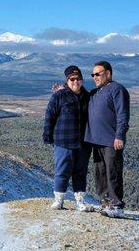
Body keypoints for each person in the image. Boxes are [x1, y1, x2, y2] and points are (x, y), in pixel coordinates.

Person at [84, 60, 130, 217]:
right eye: (93, 75)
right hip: (96, 141)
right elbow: (77, 95)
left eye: (98, 74)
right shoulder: (95, 92)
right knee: (100, 174)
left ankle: (117, 206)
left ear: (108, 73)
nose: (95, 77)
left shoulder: (117, 90)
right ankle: (105, 204)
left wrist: (120, 135)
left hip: (112, 141)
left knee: (113, 172)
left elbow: (123, 115)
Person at [43, 65, 92, 211]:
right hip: (63, 142)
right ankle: (59, 201)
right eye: (72, 79)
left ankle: (80, 202)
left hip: (83, 143)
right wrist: (47, 136)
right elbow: (49, 117)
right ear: (67, 80)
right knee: (62, 172)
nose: (76, 82)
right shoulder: (59, 96)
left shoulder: (88, 97)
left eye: (78, 79)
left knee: (80, 173)